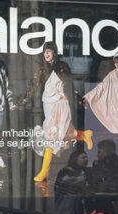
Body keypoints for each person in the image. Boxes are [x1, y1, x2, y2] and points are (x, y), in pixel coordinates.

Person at [29, 41, 92, 183]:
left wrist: (78, 100)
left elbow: (69, 86)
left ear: (54, 52)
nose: (46, 54)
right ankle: (84, 135)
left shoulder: (62, 67)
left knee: (50, 138)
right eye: (45, 51)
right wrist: (20, 101)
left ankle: (44, 171)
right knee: (65, 134)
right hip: (49, 105)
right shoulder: (42, 69)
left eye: (49, 51)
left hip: (60, 105)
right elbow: (33, 86)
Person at [52, 145, 90, 214]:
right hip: (66, 207)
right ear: (75, 159)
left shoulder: (85, 173)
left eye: (86, 157)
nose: (86, 160)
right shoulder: (65, 172)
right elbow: (61, 188)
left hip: (79, 207)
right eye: (83, 158)